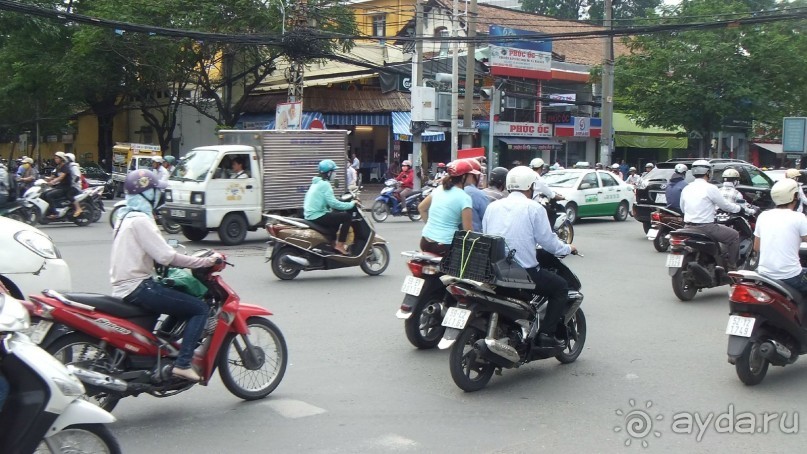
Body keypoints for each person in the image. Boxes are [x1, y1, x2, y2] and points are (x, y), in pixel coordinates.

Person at [111, 169, 219, 382]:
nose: (159, 195)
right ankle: (183, 363)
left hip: (125, 285)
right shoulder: (140, 221)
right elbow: (166, 256)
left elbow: (152, 254)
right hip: (138, 287)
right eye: (154, 191)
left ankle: (162, 349)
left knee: (178, 300)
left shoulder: (125, 217)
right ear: (146, 194)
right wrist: (205, 262)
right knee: (199, 308)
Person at [482, 166, 577, 348]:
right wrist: (567, 248)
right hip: (523, 273)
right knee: (560, 288)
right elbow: (549, 242)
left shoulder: (492, 207)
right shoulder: (534, 208)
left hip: (495, 270)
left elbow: (488, 236)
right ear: (530, 186)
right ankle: (547, 335)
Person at [679, 160, 752, 270]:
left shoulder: (687, 188)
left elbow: (682, 208)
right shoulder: (711, 188)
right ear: (708, 173)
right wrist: (739, 208)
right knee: (734, 236)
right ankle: (732, 267)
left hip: (687, 226)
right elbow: (725, 206)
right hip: (707, 228)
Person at [754, 178, 807, 295]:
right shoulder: (799, 217)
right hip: (790, 276)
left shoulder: (763, 216)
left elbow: (757, 247)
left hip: (764, 274)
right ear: (794, 196)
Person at [417, 159, 473, 255]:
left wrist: (431, 226)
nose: (472, 177)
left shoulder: (439, 189)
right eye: (470, 174)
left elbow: (421, 208)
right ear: (464, 177)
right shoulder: (465, 198)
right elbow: (468, 230)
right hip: (445, 244)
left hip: (425, 241)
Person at [303, 160, 356, 255]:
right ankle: (340, 245)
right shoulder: (325, 184)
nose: (335, 174)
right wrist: (351, 204)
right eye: (334, 171)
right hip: (317, 215)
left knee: (334, 216)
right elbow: (333, 204)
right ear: (328, 173)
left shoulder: (316, 182)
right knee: (346, 217)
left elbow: (325, 201)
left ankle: (331, 242)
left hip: (310, 214)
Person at [463, 158, 489, 232]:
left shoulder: (448, 191)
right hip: (474, 239)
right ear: (472, 176)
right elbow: (487, 219)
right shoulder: (478, 195)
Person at [43, 152, 72, 218]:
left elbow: (61, 177)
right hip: (59, 187)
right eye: (55, 158)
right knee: (43, 194)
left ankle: (55, 213)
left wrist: (53, 182)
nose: (55, 159)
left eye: (57, 158)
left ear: (61, 159)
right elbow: (53, 176)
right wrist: (45, 180)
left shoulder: (65, 167)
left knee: (49, 195)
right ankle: (48, 211)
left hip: (65, 188)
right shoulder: (58, 167)